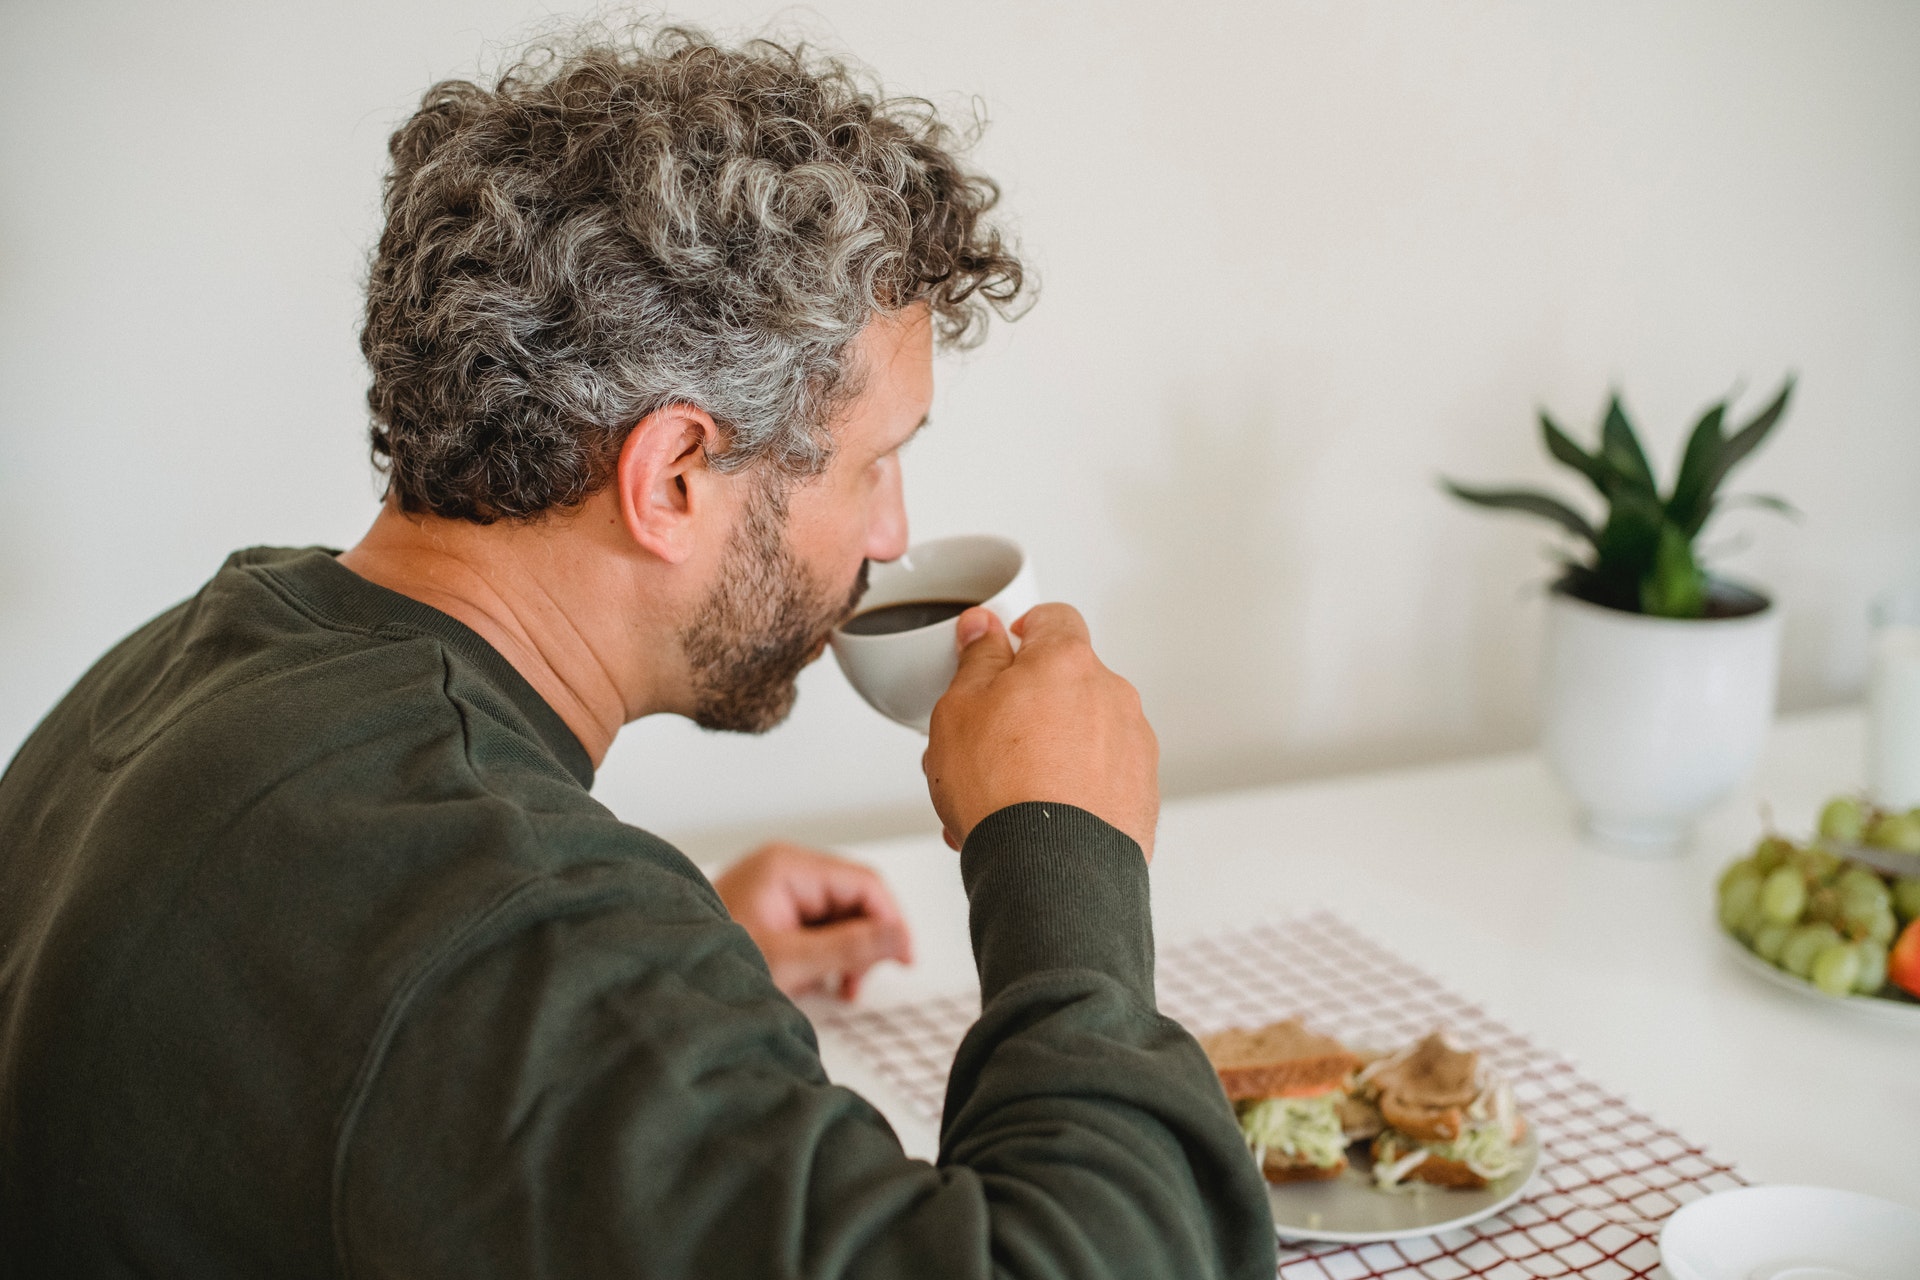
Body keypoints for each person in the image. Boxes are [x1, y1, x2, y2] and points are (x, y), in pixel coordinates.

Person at [0, 26, 1275, 1278]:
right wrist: (1062, 846)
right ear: (670, 474)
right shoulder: (512, 926)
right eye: (878, 459)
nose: (893, 532)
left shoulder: (196, 659)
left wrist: (657, 1005)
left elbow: (335, 1040)